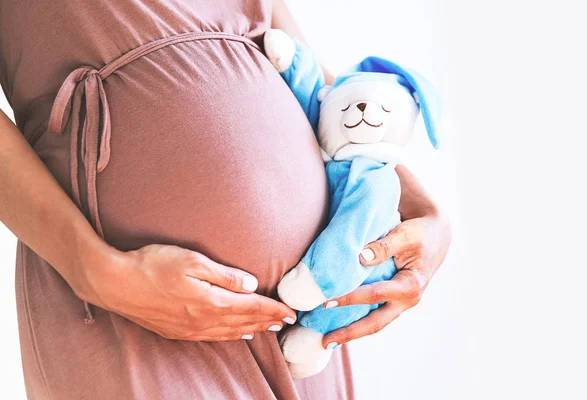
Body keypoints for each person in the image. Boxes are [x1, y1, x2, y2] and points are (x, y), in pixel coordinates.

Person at [0, 0, 451, 398]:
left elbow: (287, 50)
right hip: (130, 298)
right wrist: (93, 271)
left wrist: (416, 205)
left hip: (307, 319)